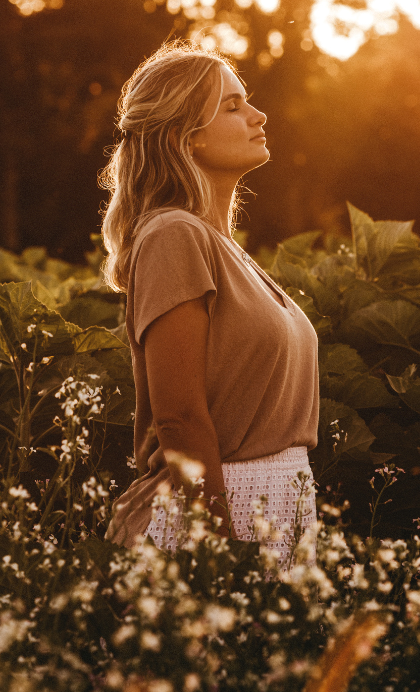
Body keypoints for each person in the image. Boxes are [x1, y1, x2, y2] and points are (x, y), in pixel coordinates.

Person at [100, 40, 319, 568]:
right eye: (232, 105)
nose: (258, 114)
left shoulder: (218, 244)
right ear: (184, 137)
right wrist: (218, 552)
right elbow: (178, 416)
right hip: (215, 518)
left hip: (274, 509)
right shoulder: (173, 235)